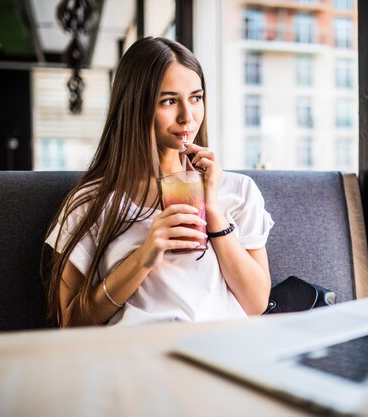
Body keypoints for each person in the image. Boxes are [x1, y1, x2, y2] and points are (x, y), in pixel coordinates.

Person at [44, 37, 274, 327]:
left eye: (196, 97)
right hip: (138, 357)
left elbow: (256, 304)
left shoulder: (238, 191)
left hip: (223, 350)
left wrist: (212, 210)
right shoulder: (90, 203)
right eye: (168, 101)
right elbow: (72, 323)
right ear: (135, 106)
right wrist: (143, 257)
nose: (187, 117)